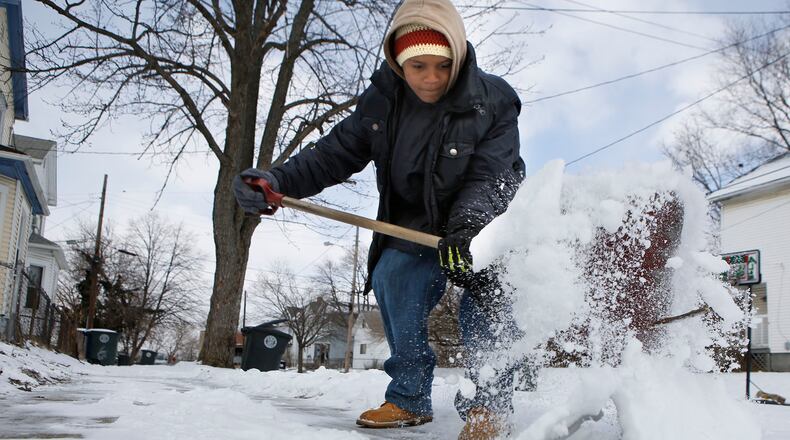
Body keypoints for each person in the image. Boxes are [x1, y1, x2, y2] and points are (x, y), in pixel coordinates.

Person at [233, 1, 525, 438]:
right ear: (398, 62)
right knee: (393, 276)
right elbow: (334, 154)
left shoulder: (493, 100)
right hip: (413, 224)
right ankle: (408, 397)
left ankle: (490, 407)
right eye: (418, 66)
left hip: (484, 222)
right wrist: (277, 179)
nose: (430, 78)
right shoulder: (382, 103)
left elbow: (493, 173)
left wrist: (467, 228)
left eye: (442, 65)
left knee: (486, 302)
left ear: (459, 56)